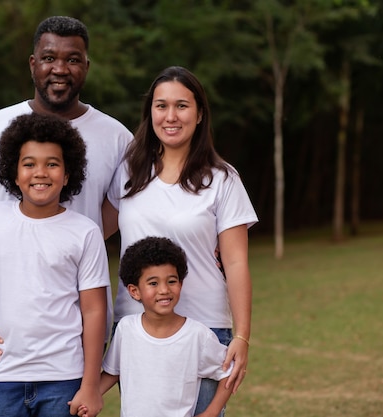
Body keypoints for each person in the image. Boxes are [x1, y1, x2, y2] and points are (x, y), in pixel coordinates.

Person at [0, 16, 131, 345]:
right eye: (49, 58)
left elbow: (132, 206)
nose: (60, 68)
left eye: (72, 59)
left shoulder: (116, 138)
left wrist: (71, 241)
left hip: (80, 320)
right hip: (4, 319)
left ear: (86, 65)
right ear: (33, 64)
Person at [103, 66, 258, 415]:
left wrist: (242, 336)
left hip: (203, 327)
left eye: (182, 106)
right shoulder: (128, 171)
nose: (170, 116)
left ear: (200, 113)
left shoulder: (222, 178)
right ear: (150, 113)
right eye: (161, 106)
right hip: (138, 329)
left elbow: (235, 262)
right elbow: (91, 234)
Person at [0, 112, 108, 417]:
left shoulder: (84, 232)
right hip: (1, 375)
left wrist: (90, 384)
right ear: (14, 171)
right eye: (29, 164)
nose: (41, 173)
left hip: (64, 378)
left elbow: (93, 310)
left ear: (68, 173)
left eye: (52, 163)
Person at [73, 236, 233, 417]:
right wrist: (89, 396)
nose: (164, 290)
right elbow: (112, 373)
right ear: (134, 291)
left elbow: (229, 371)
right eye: (153, 283)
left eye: (171, 281)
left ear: (181, 284)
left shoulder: (198, 335)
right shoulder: (126, 329)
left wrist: (211, 412)